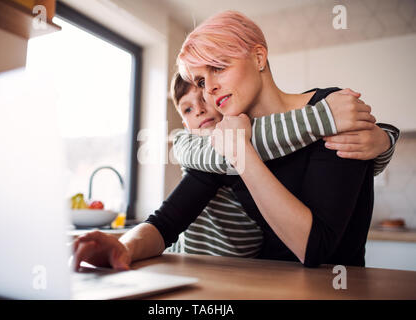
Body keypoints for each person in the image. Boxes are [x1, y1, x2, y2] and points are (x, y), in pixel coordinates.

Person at [72, 11, 399, 270]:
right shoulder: (227, 135)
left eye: (218, 68)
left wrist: (242, 155)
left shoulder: (331, 111)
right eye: (201, 79)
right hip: (265, 284)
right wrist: (124, 246)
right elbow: (166, 223)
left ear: (258, 58)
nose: (208, 89)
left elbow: (316, 248)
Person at [167, 73, 395, 257]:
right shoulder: (193, 144)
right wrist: (323, 118)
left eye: (204, 100)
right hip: (195, 261)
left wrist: (384, 141)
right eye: (187, 109)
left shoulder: (253, 132)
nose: (198, 110)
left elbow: (352, 165)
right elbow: (214, 151)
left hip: (257, 269)